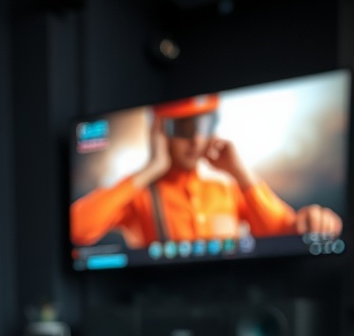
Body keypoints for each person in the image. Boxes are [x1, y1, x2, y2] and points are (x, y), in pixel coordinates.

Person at [70, 94, 343, 248]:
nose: (196, 139)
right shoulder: (139, 195)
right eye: (184, 128)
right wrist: (150, 170)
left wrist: (240, 173)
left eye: (205, 124)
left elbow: (284, 235)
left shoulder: (227, 190)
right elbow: (79, 228)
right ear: (158, 133)